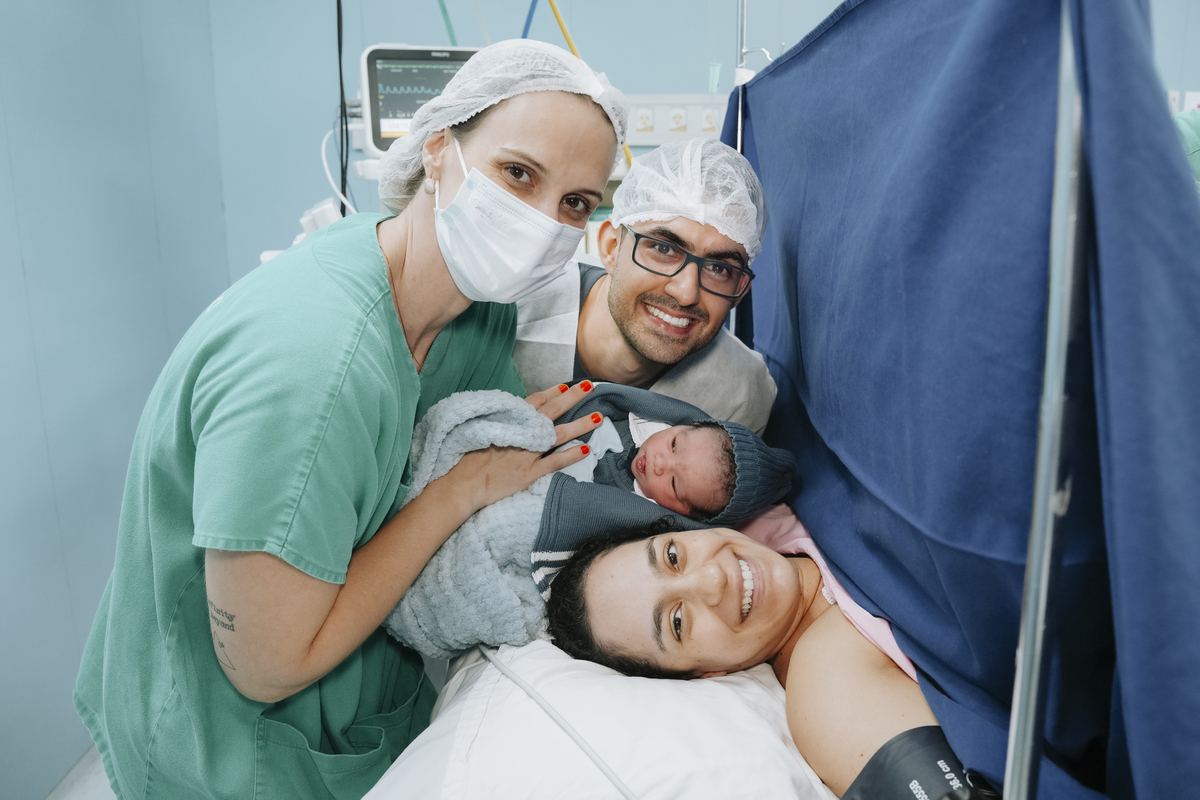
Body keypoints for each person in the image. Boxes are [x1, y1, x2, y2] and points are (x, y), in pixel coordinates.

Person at [74, 39, 626, 800]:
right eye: (518, 174)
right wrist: (458, 493)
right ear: (438, 150)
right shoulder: (311, 366)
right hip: (235, 745)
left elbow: (487, 452)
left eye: (576, 204)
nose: (541, 222)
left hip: (365, 696)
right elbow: (267, 666)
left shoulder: (477, 308)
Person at [545, 509, 1001, 800]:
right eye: (678, 622)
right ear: (702, 674)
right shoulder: (827, 683)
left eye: (672, 556)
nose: (712, 580)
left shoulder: (774, 505)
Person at [513, 138, 778, 434]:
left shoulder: (741, 396)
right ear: (612, 247)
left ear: (740, 290)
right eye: (664, 249)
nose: (686, 293)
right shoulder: (510, 308)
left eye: (719, 268)